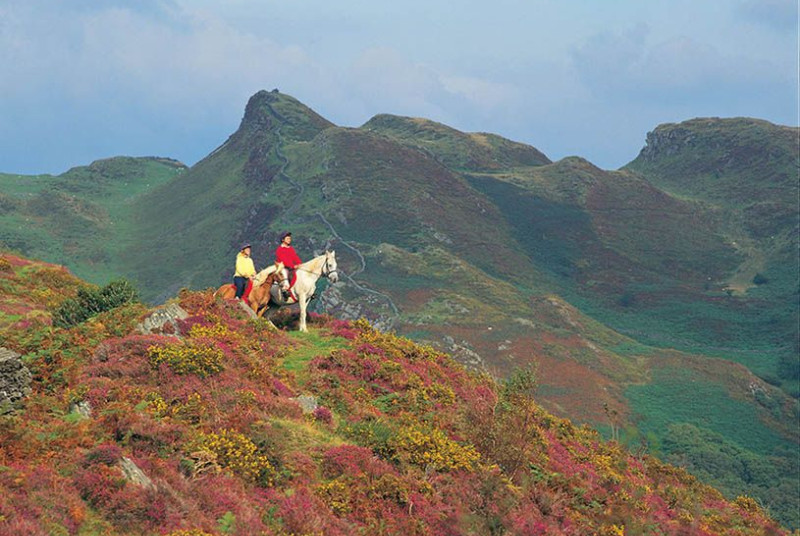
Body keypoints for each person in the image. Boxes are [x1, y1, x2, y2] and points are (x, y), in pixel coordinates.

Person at [274, 231, 302, 300]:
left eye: (290, 238)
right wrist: (293, 266)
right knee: (285, 275)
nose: (289, 239)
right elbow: (283, 260)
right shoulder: (279, 249)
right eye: (287, 238)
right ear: (283, 240)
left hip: (291, 267)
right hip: (283, 267)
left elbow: (295, 257)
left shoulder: (290, 248)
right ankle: (285, 290)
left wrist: (299, 263)